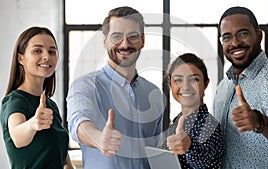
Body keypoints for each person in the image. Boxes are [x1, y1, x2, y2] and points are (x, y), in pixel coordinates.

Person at [66, 6, 164, 169]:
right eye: (117, 36)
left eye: (132, 37)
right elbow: (79, 123)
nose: (125, 44)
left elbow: (156, 152)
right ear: (105, 40)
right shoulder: (85, 86)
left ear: (142, 40)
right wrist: (99, 138)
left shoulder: (154, 93)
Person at [213, 6, 268, 168]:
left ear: (258, 36)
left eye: (243, 34)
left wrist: (259, 121)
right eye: (227, 37)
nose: (235, 43)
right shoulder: (223, 87)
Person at [0, 26, 73, 169]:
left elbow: (64, 160)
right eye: (37, 51)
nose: (47, 56)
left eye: (52, 51)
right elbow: (18, 137)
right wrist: (34, 123)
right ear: (20, 58)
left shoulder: (50, 105)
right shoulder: (15, 101)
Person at [161, 53, 224, 168]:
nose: (185, 87)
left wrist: (189, 145)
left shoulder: (209, 124)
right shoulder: (176, 122)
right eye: (178, 80)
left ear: (206, 83)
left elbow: (204, 162)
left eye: (194, 79)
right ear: (170, 85)